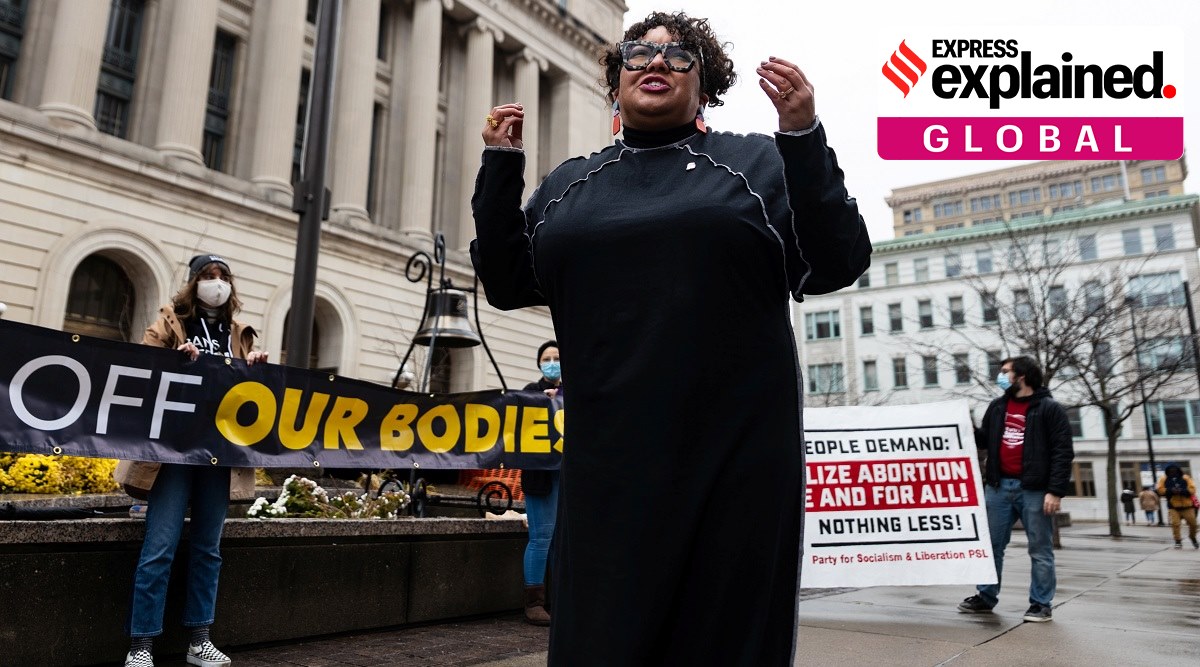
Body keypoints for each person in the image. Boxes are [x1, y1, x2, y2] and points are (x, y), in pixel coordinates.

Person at [470, 11, 870, 664]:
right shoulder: (571, 184)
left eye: (679, 56)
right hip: (607, 473)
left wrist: (803, 138)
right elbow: (508, 280)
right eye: (639, 52)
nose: (657, 62)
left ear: (704, 87)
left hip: (734, 471)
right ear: (616, 81)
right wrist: (499, 168)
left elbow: (839, 258)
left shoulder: (755, 165)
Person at [115, 254, 267, 667]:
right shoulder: (170, 321)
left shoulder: (240, 333)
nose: (216, 283)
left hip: (217, 454)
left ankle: (200, 639)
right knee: (159, 547)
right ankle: (140, 646)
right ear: (193, 282)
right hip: (173, 454)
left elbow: (247, 397)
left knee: (208, 549)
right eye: (208, 276)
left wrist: (255, 370)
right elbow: (141, 366)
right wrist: (172, 358)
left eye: (223, 277)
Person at [958, 356, 1074, 623]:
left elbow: (1062, 451)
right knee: (991, 546)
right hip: (999, 488)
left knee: (1040, 549)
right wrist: (963, 423)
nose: (1000, 376)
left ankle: (1041, 604)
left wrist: (1055, 491)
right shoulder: (998, 407)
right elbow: (985, 440)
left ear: (1021, 375)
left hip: (1034, 489)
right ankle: (985, 596)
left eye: (1005, 371)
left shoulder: (1049, 409)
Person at [519, 340, 562, 626]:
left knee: (563, 541)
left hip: (567, 476)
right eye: (546, 358)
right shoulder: (529, 393)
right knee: (541, 538)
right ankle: (534, 603)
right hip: (541, 477)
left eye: (557, 357)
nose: (551, 362)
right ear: (538, 364)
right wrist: (540, 403)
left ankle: (561, 600)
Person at [1155, 464, 1198, 549]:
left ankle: (1192, 537)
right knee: (1175, 524)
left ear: (1178, 470)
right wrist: (1170, 490)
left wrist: (1182, 491)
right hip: (1173, 506)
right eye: (1170, 470)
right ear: (1167, 471)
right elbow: (1160, 490)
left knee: (1193, 524)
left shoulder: (1186, 478)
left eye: (1174, 469)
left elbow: (1193, 489)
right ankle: (1178, 540)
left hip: (1187, 506)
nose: (1172, 471)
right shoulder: (1164, 479)